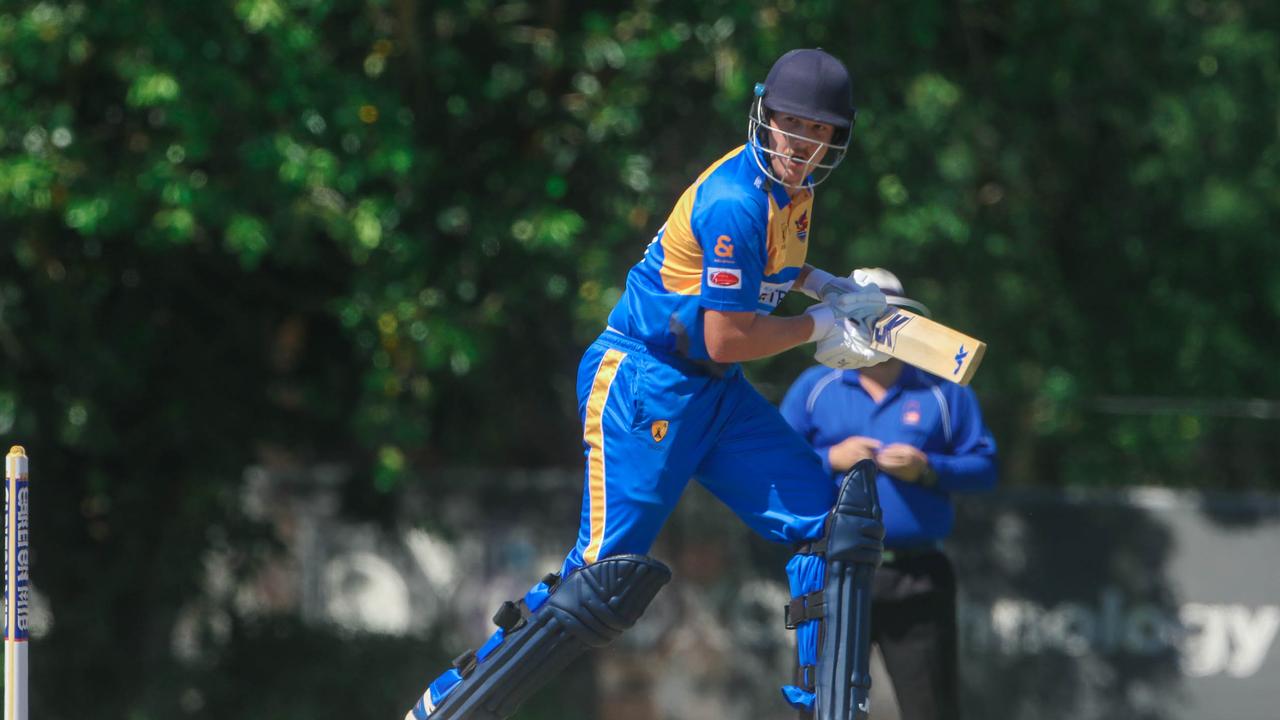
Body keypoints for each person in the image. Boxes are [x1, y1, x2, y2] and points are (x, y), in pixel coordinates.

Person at [406, 48, 890, 720]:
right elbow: (728, 335)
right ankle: (446, 710)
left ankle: (828, 711)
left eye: (817, 131)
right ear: (764, 114)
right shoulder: (734, 200)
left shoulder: (795, 195)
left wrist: (828, 286)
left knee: (834, 530)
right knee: (599, 583)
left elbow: (768, 275)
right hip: (645, 383)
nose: (800, 144)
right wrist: (817, 329)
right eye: (789, 124)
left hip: (713, 391)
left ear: (837, 136)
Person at [780, 268, 998, 720]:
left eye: (884, 318)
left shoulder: (943, 391)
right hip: (831, 572)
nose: (875, 329)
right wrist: (829, 457)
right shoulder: (815, 386)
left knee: (931, 709)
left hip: (914, 574)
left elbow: (985, 469)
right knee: (824, 708)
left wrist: (929, 468)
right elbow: (775, 464)